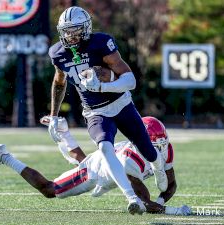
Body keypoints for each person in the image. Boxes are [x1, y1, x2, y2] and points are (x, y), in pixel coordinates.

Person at [47, 6, 168, 214]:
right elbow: (59, 83)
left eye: (75, 30)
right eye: (66, 31)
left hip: (121, 104)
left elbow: (130, 81)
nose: (70, 35)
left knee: (147, 149)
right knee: (105, 148)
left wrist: (103, 86)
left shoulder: (100, 43)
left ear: (86, 28)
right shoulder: (57, 52)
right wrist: (53, 116)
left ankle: (158, 167)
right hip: (95, 111)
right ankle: (131, 198)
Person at [0, 116, 191, 216]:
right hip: (96, 173)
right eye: (155, 144)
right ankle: (6, 157)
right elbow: (144, 203)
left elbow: (170, 185)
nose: (161, 149)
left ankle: (63, 131)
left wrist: (162, 200)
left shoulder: (166, 149)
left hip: (104, 161)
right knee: (50, 190)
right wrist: (174, 211)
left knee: (83, 161)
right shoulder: (130, 161)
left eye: (163, 143)